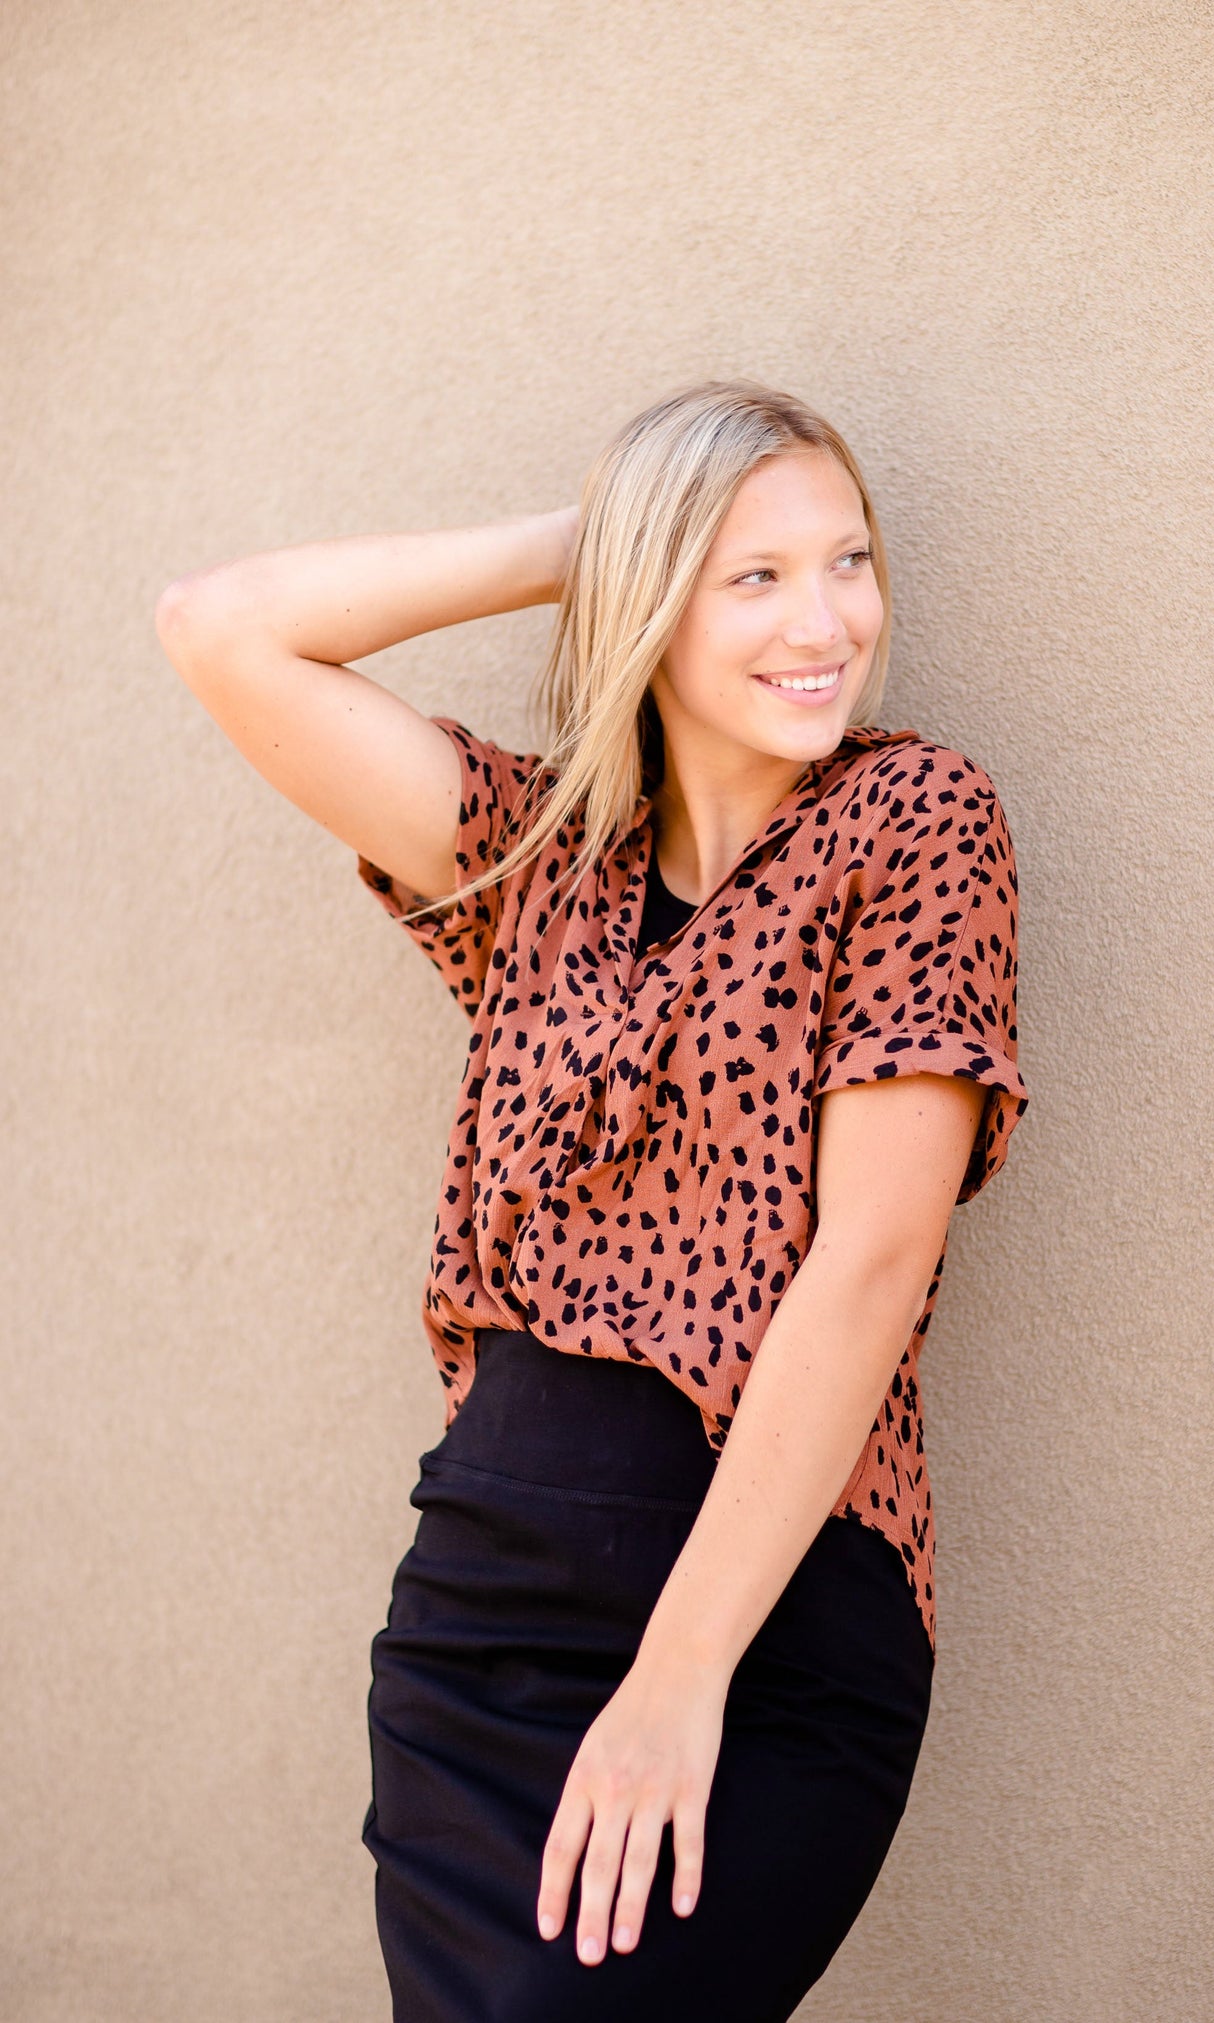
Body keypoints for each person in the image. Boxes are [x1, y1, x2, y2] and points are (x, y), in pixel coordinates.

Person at [154, 378, 1030, 2021]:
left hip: (759, 1617)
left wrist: (678, 1674)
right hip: (481, 1611)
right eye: (751, 574)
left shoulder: (914, 821)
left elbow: (873, 1262)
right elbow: (221, 630)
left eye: (849, 562)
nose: (823, 618)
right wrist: (601, 541)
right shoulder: (534, 853)